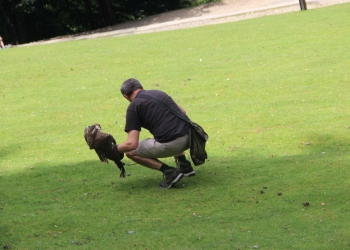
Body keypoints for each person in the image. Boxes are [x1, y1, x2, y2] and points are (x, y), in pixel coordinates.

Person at [116, 78, 195, 189]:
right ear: (141, 87)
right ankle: (184, 165)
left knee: (130, 152)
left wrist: (114, 149)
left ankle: (169, 172)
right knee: (167, 128)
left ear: (125, 96)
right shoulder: (159, 93)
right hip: (192, 138)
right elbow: (182, 111)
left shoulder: (133, 107)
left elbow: (131, 144)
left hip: (174, 144)